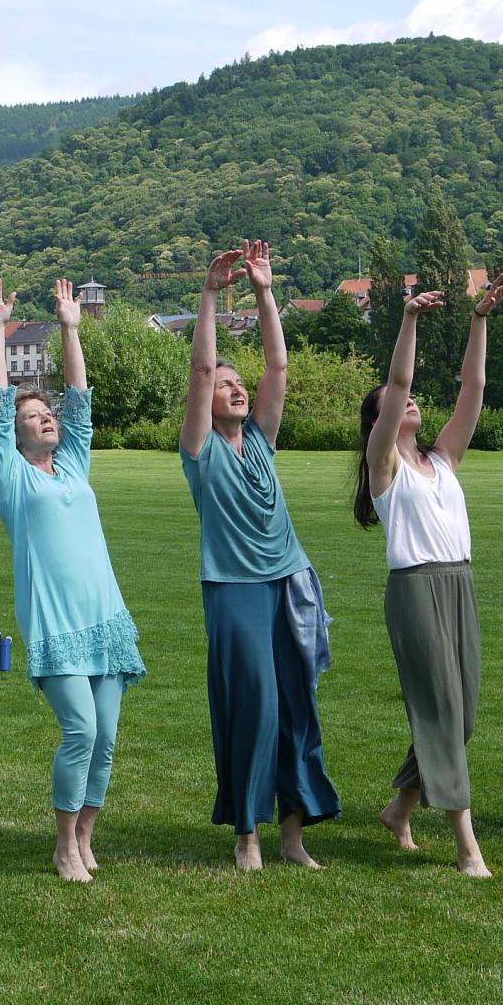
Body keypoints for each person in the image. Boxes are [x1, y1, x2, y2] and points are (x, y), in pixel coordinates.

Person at [0, 275, 145, 882]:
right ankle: (62, 845)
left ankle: (84, 837)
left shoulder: (73, 462)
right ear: (17, 431)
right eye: (35, 415)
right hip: (55, 623)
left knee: (105, 741)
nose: (47, 418)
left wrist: (72, 328)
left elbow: (82, 400)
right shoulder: (12, 478)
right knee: (81, 730)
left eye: (47, 413)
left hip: (104, 617)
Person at [180, 239, 339, 871]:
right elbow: (198, 372)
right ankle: (247, 831)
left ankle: (294, 834)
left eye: (237, 383)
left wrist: (266, 291)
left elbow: (278, 369)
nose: (235, 388)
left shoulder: (263, 442)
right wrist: (213, 293)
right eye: (225, 384)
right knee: (255, 704)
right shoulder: (200, 449)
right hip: (234, 588)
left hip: (290, 580)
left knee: (298, 704)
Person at [357, 278, 503, 877]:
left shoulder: (443, 457)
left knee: (462, 712)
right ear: (380, 420)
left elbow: (472, 388)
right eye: (397, 405)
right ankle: (466, 845)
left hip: (459, 584)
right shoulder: (385, 466)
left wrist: (478, 319)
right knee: (443, 712)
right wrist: (408, 320)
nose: (411, 403)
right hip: (416, 590)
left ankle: (400, 808)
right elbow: (399, 384)